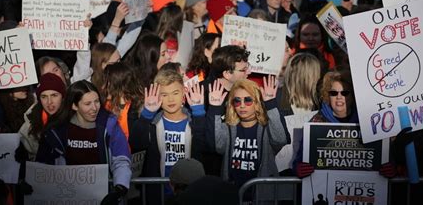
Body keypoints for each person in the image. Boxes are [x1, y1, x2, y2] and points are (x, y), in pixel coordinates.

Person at [36, 80, 131, 203]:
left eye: (96, 101)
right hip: (67, 198)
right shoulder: (57, 130)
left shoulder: (109, 125)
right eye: (87, 104)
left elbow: (121, 159)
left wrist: (119, 188)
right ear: (74, 106)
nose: (94, 108)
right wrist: (32, 184)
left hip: (102, 197)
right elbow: (43, 165)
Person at [206, 77, 290, 202]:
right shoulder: (229, 127)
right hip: (232, 196)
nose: (242, 105)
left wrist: (271, 103)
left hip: (262, 197)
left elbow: (281, 139)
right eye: (237, 101)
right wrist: (214, 108)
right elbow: (217, 146)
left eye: (248, 100)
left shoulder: (267, 128)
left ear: (257, 103)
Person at [128, 69, 206, 202]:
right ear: (157, 96)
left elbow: (205, 147)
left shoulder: (194, 122)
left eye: (175, 93)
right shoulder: (152, 123)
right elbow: (136, 143)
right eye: (164, 94)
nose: (171, 99)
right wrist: (147, 115)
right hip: (157, 194)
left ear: (184, 94)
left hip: (189, 195)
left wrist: (199, 113)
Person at [19, 73, 67, 160]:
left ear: (62, 97)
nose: (49, 102)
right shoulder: (30, 124)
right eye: (44, 96)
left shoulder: (74, 119)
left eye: (54, 95)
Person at [102, 63, 143, 140]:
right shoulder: (105, 106)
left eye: (107, 83)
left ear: (119, 85)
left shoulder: (137, 109)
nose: (103, 87)